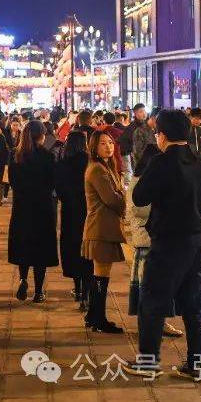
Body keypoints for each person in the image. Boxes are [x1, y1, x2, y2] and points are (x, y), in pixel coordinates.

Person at [123, 110, 201, 381]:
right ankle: (197, 365)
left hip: (169, 241)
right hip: (198, 240)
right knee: (194, 304)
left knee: (152, 301)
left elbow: (140, 197)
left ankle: (148, 362)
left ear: (161, 135)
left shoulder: (161, 163)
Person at [7, 120, 59, 303]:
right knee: (41, 250)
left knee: (23, 244)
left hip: (22, 207)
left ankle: (22, 278)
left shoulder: (15, 155)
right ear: (42, 136)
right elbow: (53, 182)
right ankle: (38, 291)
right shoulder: (47, 156)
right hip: (43, 208)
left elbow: (12, 182)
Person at [82, 129, 126, 333]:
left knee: (100, 274)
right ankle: (98, 318)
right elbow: (111, 199)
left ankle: (93, 316)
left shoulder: (107, 167)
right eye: (103, 143)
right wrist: (123, 198)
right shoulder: (98, 169)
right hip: (100, 228)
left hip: (104, 227)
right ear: (94, 147)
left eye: (110, 142)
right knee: (101, 274)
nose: (108, 146)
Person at [55, 130, 92, 310]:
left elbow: (58, 186)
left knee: (72, 247)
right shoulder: (88, 161)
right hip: (87, 210)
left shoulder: (63, 162)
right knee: (87, 249)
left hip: (70, 211)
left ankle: (77, 288)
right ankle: (86, 292)